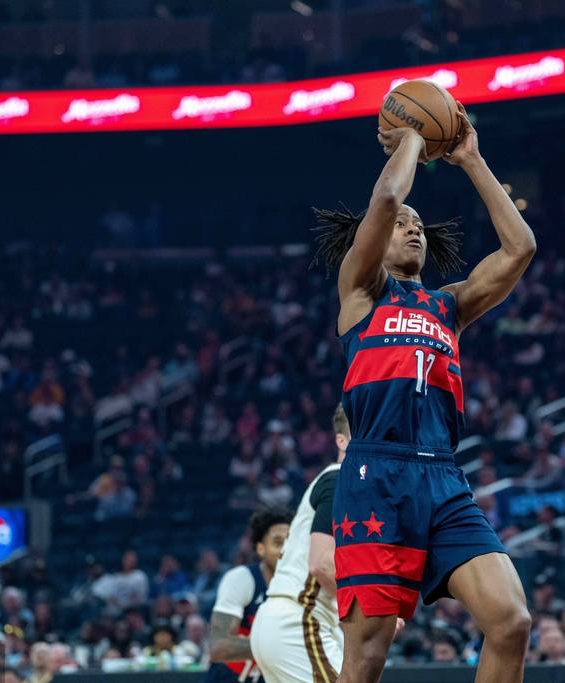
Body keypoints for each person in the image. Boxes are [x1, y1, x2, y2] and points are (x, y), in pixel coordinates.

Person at [316, 100, 536, 683]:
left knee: (511, 621)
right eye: (402, 224)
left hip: (442, 475)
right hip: (376, 476)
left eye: (418, 224)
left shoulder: (450, 305)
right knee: (366, 658)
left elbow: (520, 249)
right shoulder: (361, 292)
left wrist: (471, 160)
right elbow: (388, 199)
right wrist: (413, 136)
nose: (412, 227)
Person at [250, 405, 348, 682]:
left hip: (292, 619)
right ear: (341, 441)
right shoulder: (339, 478)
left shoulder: (343, 483)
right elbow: (321, 565)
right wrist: (369, 607)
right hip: (300, 620)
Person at [207, 508, 292, 682]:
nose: (286, 550)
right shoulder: (242, 579)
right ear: (261, 549)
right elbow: (219, 647)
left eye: (291, 543)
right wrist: (280, 646)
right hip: (230, 678)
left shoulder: (303, 586)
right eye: (278, 543)